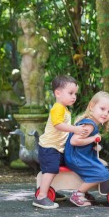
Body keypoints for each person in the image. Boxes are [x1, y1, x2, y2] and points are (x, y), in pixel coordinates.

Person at [32, 75, 88, 209]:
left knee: (61, 167)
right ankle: (41, 197)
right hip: (49, 147)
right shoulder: (58, 108)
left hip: (58, 148)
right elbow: (58, 125)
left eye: (75, 93)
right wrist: (75, 129)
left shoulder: (65, 110)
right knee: (50, 170)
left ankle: (53, 190)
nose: (74, 96)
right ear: (58, 93)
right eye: (70, 93)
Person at [64, 91, 109, 207]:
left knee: (104, 164)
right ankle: (78, 194)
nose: (105, 113)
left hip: (79, 156)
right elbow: (74, 141)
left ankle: (85, 191)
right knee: (102, 173)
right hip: (76, 158)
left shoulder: (92, 123)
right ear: (92, 106)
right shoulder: (90, 125)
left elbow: (83, 141)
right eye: (102, 109)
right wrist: (93, 138)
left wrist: (93, 145)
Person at [17, 12, 49, 107]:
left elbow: (45, 51)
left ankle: (37, 103)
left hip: (36, 64)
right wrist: (29, 51)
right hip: (25, 64)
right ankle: (28, 101)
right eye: (26, 28)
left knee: (35, 83)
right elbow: (20, 49)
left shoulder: (39, 38)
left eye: (31, 27)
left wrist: (42, 60)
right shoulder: (21, 39)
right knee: (26, 83)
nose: (29, 30)